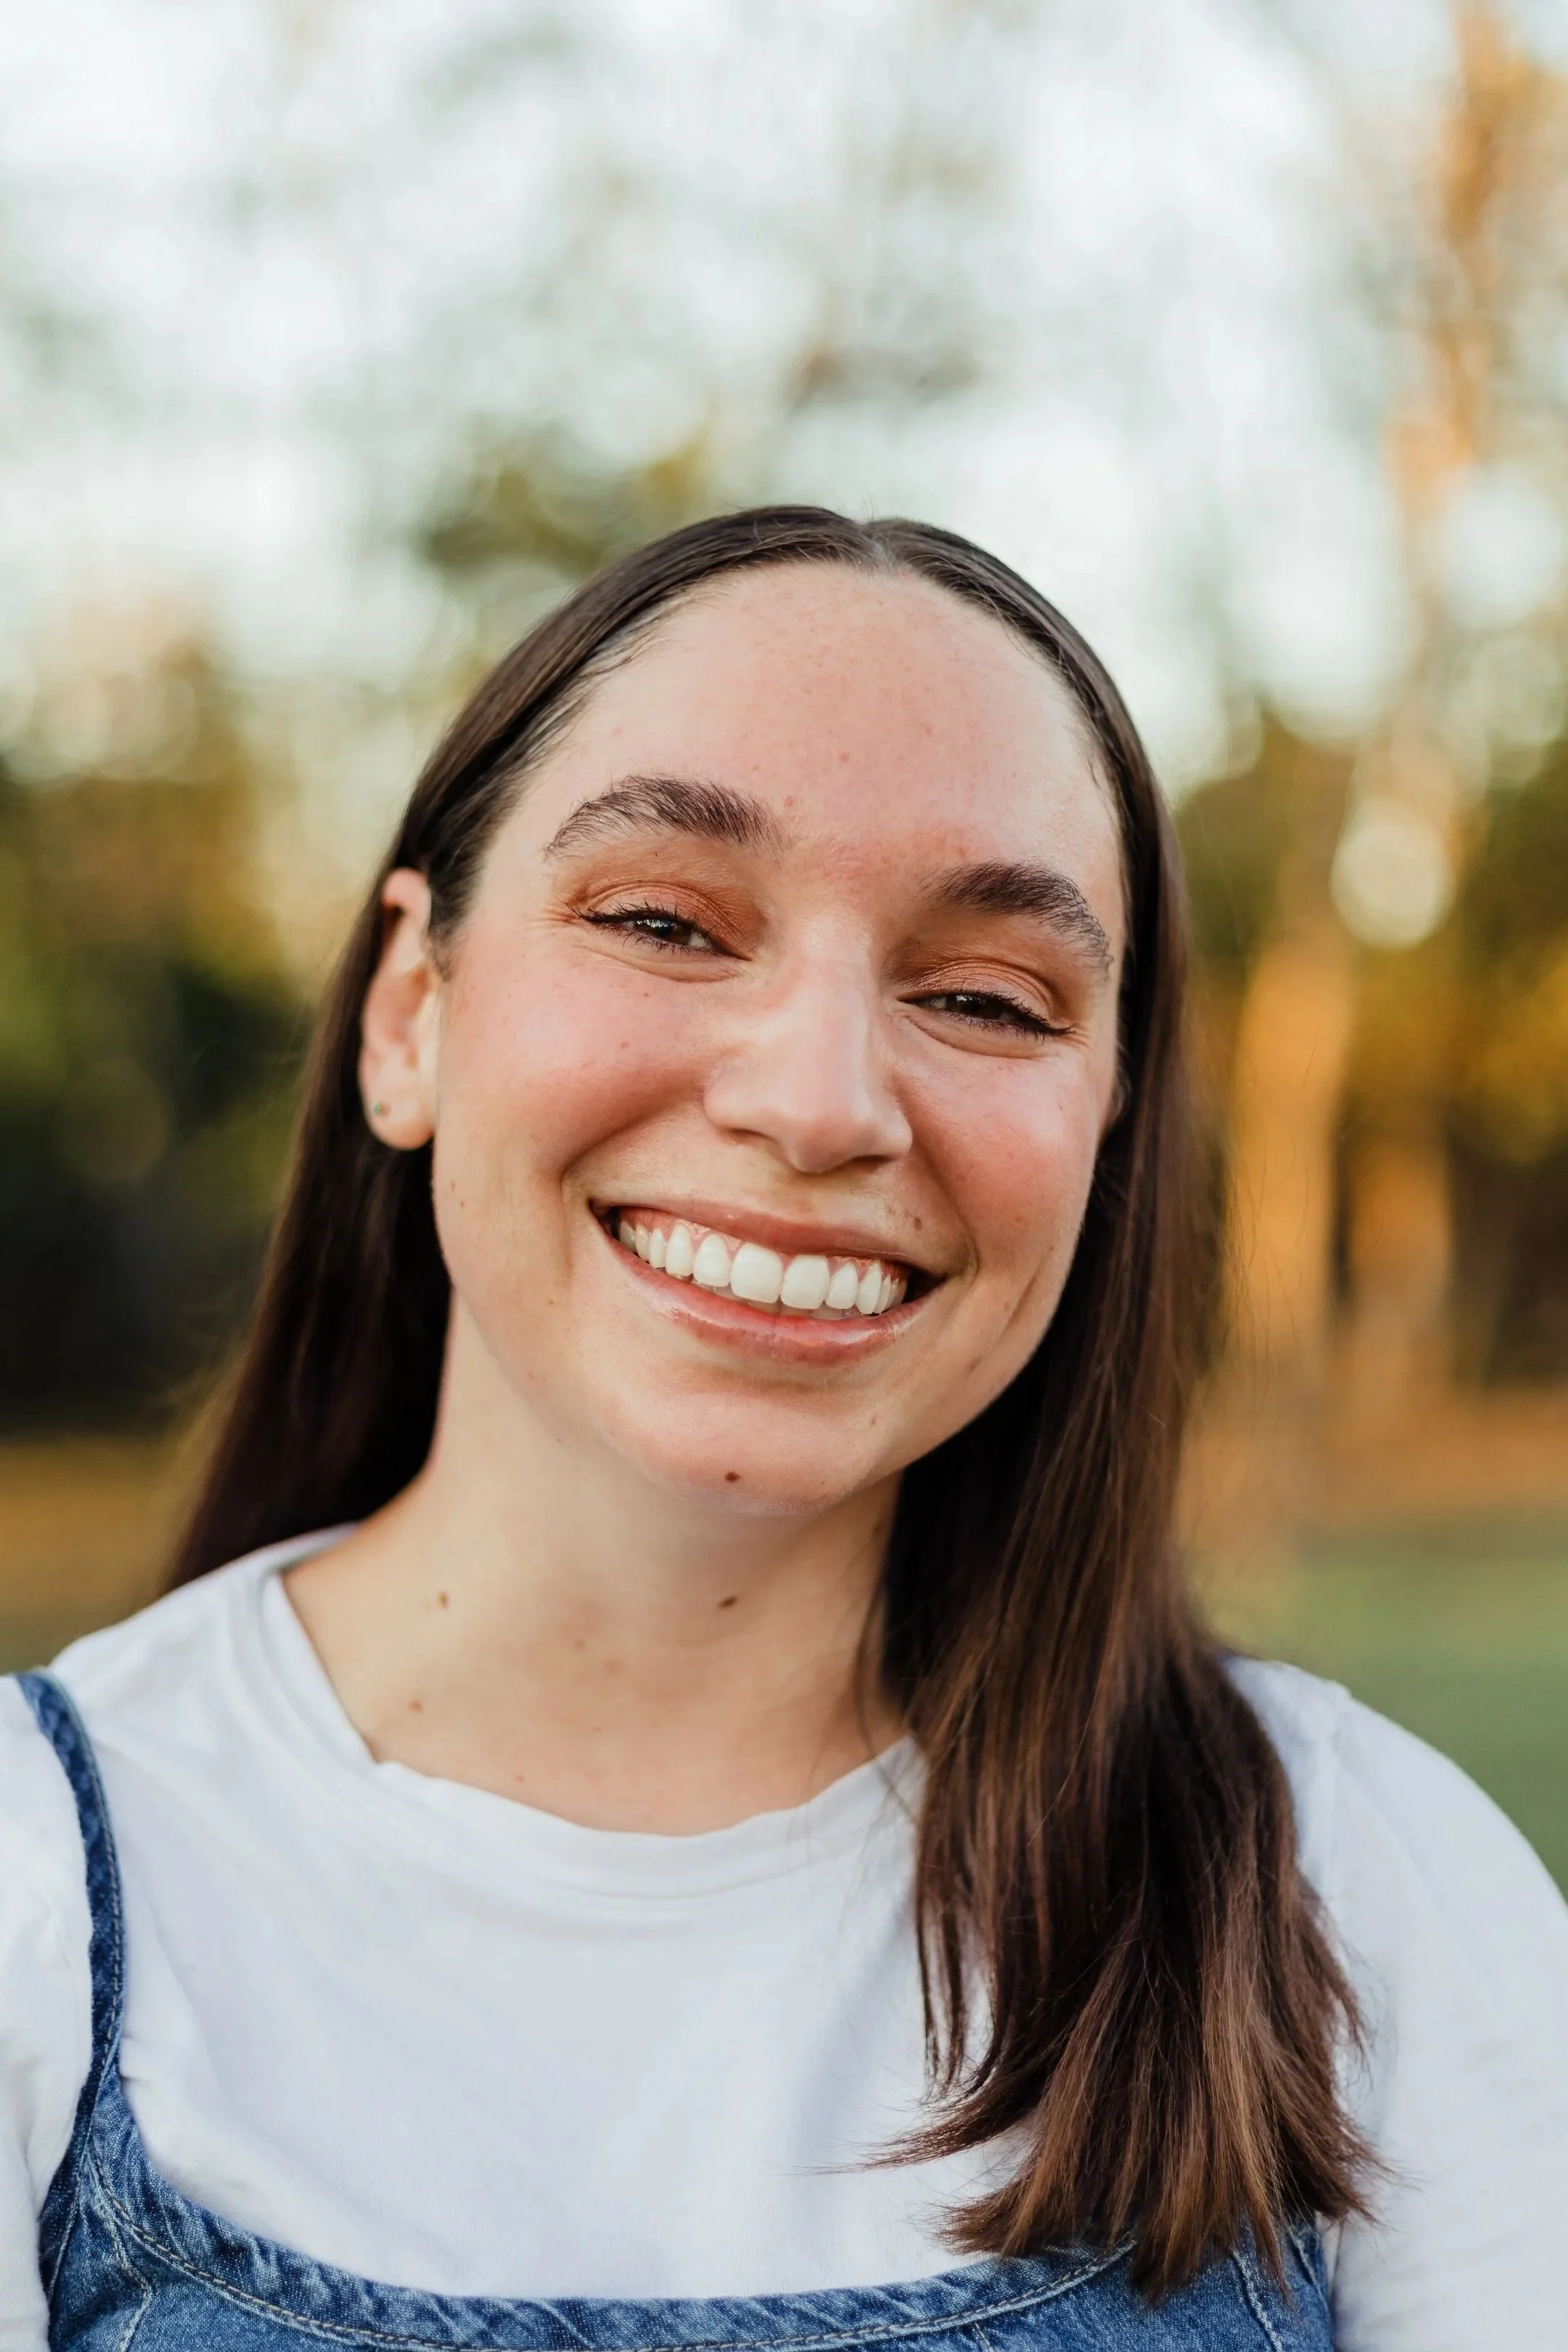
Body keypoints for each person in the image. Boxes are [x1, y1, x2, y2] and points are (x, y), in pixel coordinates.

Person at [1, 508, 1565, 2352]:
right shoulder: (36, 1885)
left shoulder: (1364, 1888)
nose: (823, 1102)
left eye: (986, 997)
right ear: (414, 1008)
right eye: (665, 921)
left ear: (1109, 1132)